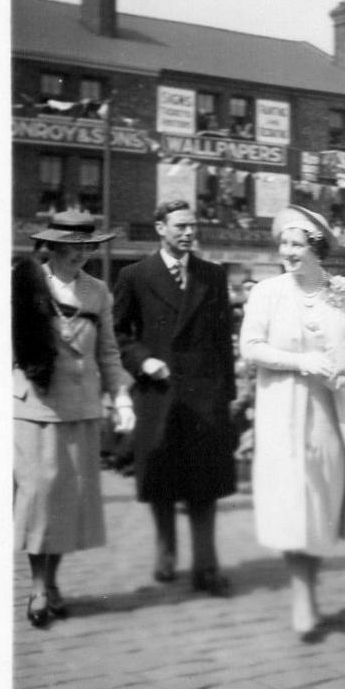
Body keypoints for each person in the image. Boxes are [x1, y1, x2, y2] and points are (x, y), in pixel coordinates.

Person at [239, 204, 345, 640]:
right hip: (281, 409)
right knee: (293, 505)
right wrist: (302, 361)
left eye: (296, 243)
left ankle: (309, 588)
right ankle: (302, 597)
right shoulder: (267, 293)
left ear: (316, 246)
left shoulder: (344, 293)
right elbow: (251, 347)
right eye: (283, 243)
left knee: (320, 502)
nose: (287, 251)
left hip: (328, 411)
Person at [13, 210, 135, 628]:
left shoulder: (98, 291)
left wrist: (121, 397)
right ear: (53, 246)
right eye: (72, 247)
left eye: (87, 247)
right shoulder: (26, 284)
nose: (80, 254)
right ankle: (37, 586)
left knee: (65, 499)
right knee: (38, 493)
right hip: (35, 404)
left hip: (81, 405)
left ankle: (51, 582)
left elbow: (109, 351)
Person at [113, 200, 237, 595]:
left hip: (204, 394)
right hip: (159, 393)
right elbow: (118, 334)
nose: (188, 232)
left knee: (205, 484)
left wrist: (228, 395)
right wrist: (143, 362)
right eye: (180, 226)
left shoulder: (212, 275)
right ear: (160, 229)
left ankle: (206, 565)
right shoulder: (135, 275)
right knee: (162, 479)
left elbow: (222, 340)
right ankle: (165, 553)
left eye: (192, 226)